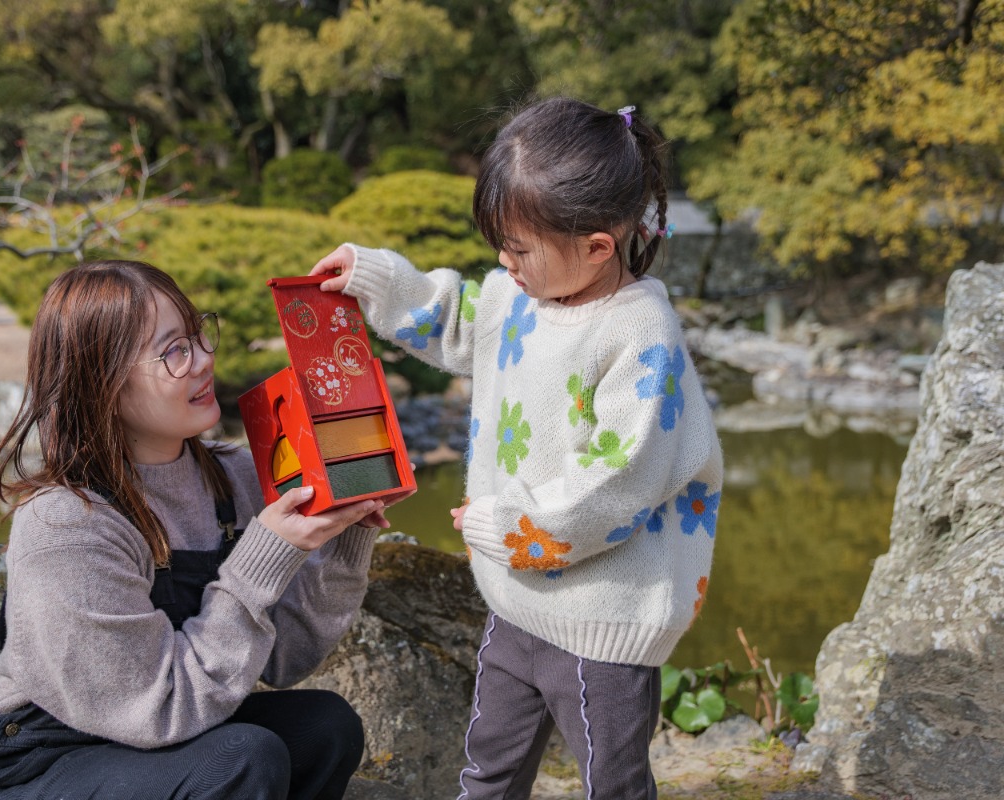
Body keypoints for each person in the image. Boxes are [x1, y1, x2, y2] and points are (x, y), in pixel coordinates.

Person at [310, 98, 723, 799]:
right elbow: (456, 317)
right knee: (489, 768)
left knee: (612, 782)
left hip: (605, 619)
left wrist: (499, 527)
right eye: (500, 243)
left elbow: (615, 485)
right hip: (516, 600)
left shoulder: (639, 334)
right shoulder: (517, 295)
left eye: (519, 247)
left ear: (597, 245)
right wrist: (374, 276)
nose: (504, 262)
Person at [0, 259, 407, 800]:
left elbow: (283, 659)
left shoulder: (233, 476)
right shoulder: (67, 523)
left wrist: (347, 536)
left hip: (139, 742)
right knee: (241, 760)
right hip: (27, 760)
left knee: (325, 726)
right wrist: (259, 558)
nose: (203, 360)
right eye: (174, 350)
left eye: (198, 334)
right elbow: (158, 710)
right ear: (103, 384)